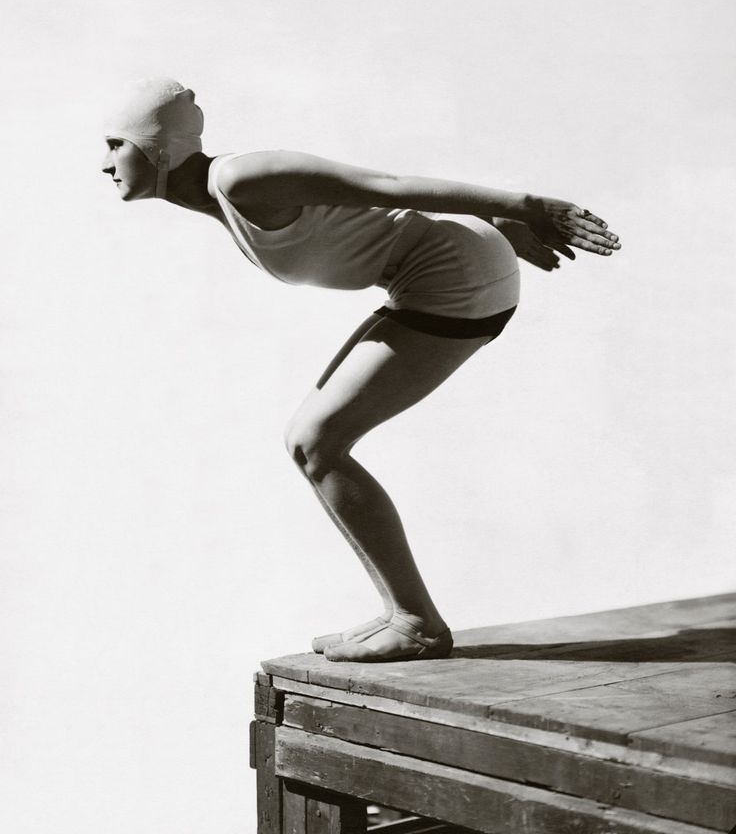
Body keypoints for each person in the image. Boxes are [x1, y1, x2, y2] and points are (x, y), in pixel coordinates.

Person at [101, 77, 621, 663]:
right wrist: (495, 229)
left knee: (315, 441)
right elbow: (379, 213)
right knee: (313, 442)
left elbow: (386, 184)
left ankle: (415, 622)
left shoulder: (245, 177)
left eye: (117, 144)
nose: (105, 163)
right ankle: (402, 614)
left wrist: (520, 209)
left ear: (161, 150)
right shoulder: (217, 200)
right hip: (445, 271)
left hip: (455, 278)